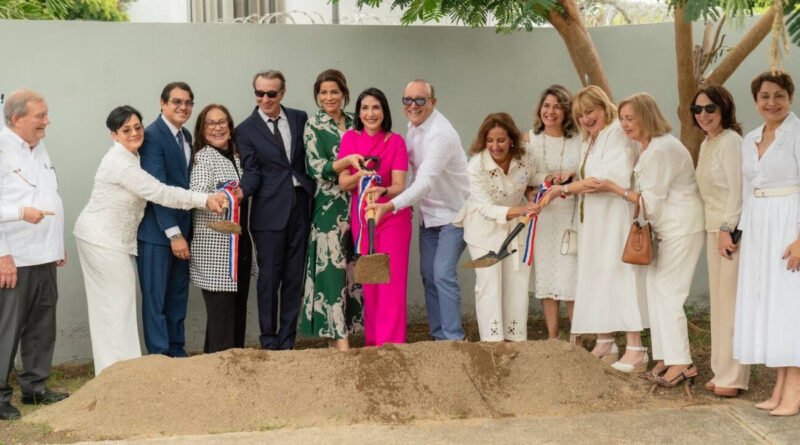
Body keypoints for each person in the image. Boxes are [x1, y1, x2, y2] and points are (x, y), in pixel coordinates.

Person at [75, 106, 226, 375]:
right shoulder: (120, 163)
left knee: (115, 306)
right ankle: (119, 372)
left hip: (113, 241)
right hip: (101, 239)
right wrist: (204, 199)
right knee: (117, 305)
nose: (134, 133)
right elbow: (160, 192)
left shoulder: (132, 157)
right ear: (114, 135)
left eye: (137, 127)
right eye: (126, 130)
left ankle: (117, 371)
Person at [588, 93, 705, 386]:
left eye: (630, 118)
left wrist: (614, 188)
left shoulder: (660, 150)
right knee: (655, 292)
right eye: (622, 119)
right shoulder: (650, 147)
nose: (625, 124)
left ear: (646, 116)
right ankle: (665, 358)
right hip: (666, 230)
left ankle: (682, 363)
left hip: (681, 228)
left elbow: (650, 203)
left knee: (668, 293)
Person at [542, 85, 647, 372]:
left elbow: (608, 179)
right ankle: (605, 341)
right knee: (596, 275)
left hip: (614, 217)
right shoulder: (591, 139)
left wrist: (564, 190)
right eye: (580, 115)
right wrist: (571, 177)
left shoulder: (617, 133)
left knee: (619, 275)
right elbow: (588, 174)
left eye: (590, 111)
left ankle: (636, 348)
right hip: (593, 220)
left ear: (604, 107)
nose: (586, 119)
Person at [368, 79, 470, 341]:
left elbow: (424, 182)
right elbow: (413, 176)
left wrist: (391, 205)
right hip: (429, 216)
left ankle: (454, 340)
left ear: (433, 102)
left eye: (420, 100)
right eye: (408, 100)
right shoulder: (413, 127)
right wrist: (396, 195)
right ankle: (438, 337)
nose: (413, 105)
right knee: (429, 275)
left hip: (455, 215)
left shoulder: (440, 134)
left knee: (443, 274)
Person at [734, 71, 800, 416]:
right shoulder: (751, 138)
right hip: (760, 228)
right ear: (756, 101)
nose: (771, 103)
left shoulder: (798, 133)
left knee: (790, 305)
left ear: (790, 98)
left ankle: (796, 387)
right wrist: (743, 233)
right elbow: (748, 189)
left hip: (789, 223)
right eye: (764, 96)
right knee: (770, 305)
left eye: (779, 96)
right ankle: (780, 384)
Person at [0, 89, 68, 420]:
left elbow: (49, 194)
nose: (47, 121)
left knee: (42, 326)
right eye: (40, 116)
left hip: (44, 254)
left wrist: (57, 243)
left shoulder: (39, 147)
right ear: (17, 119)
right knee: (6, 329)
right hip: (14, 258)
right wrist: (2, 256)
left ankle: (35, 387)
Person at [237, 70, 313, 350]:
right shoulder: (245, 130)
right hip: (268, 212)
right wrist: (241, 192)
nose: (265, 99)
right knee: (269, 279)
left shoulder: (300, 118)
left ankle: (288, 340)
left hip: (301, 206)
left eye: (271, 93)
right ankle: (268, 340)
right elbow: (252, 172)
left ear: (282, 92)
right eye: (259, 93)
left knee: (294, 277)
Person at [455, 112, 538, 342]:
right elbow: (485, 208)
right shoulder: (476, 166)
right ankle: (492, 342)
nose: (495, 146)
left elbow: (533, 178)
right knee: (489, 283)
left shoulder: (526, 155)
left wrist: (547, 184)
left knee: (517, 283)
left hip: (517, 226)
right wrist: (520, 210)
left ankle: (515, 339)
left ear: (511, 139)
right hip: (483, 229)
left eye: (501, 140)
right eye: (490, 140)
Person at [338, 87, 411, 346]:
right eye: (365, 108)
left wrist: (382, 190)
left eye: (376, 107)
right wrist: (360, 176)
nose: (370, 113)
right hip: (363, 218)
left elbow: (399, 186)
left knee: (391, 282)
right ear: (358, 113)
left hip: (391, 216)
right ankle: (373, 343)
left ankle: (390, 343)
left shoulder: (396, 141)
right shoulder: (350, 140)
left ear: (384, 111)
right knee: (370, 281)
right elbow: (344, 182)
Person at [299, 69, 364, 351]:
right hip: (328, 208)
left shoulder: (355, 122)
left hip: (358, 206)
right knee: (331, 273)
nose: (329, 97)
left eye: (334, 92)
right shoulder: (313, 125)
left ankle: (335, 339)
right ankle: (342, 345)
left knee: (351, 273)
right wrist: (347, 161)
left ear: (344, 93)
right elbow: (316, 168)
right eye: (323, 92)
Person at [692, 85, 749, 397]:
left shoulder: (731, 142)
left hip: (731, 232)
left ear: (724, 109)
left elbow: (738, 191)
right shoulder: (707, 143)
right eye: (697, 109)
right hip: (713, 230)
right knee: (719, 304)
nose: (703, 115)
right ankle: (721, 370)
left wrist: (727, 229)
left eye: (710, 108)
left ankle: (734, 376)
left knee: (731, 304)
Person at [136, 81, 197, 357]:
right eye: (176, 101)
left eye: (188, 102)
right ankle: (160, 357)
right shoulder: (152, 136)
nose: (183, 107)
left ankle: (177, 351)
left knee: (177, 295)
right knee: (156, 298)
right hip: (158, 233)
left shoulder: (186, 136)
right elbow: (157, 190)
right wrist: (174, 234)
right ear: (162, 104)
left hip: (184, 229)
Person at [189, 104, 255, 353]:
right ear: (202, 128)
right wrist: (220, 198)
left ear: (230, 125)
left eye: (222, 122)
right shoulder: (203, 158)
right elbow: (197, 194)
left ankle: (230, 363)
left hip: (240, 245)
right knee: (222, 317)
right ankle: (220, 367)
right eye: (210, 123)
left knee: (236, 313)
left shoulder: (237, 157)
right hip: (217, 251)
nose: (217, 128)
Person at [523, 85, 581, 340]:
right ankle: (552, 336)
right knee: (546, 274)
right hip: (543, 215)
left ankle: (577, 337)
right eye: (546, 106)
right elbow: (525, 176)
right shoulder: (530, 139)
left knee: (570, 275)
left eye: (558, 107)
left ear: (567, 111)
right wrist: (547, 178)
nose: (551, 111)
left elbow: (585, 170)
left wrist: (571, 176)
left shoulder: (579, 139)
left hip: (570, 213)